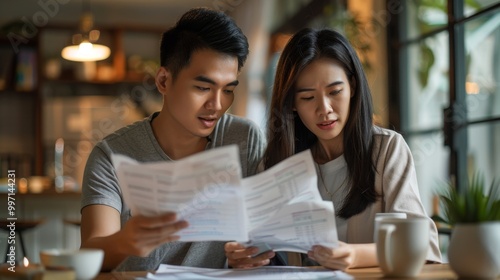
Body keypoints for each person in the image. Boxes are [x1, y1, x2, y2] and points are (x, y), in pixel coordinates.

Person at [225, 28, 442, 270]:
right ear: (292, 104)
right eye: (308, 97)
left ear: (352, 86)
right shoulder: (278, 163)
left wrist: (354, 256)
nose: (324, 108)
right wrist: (242, 257)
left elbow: (422, 245)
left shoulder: (386, 150)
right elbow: (261, 249)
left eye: (335, 92)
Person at [80, 7, 266, 272]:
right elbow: (91, 255)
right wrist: (125, 240)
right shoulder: (112, 155)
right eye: (203, 88)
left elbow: (263, 233)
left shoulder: (243, 139)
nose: (216, 104)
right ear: (164, 80)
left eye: (228, 90)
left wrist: (249, 253)